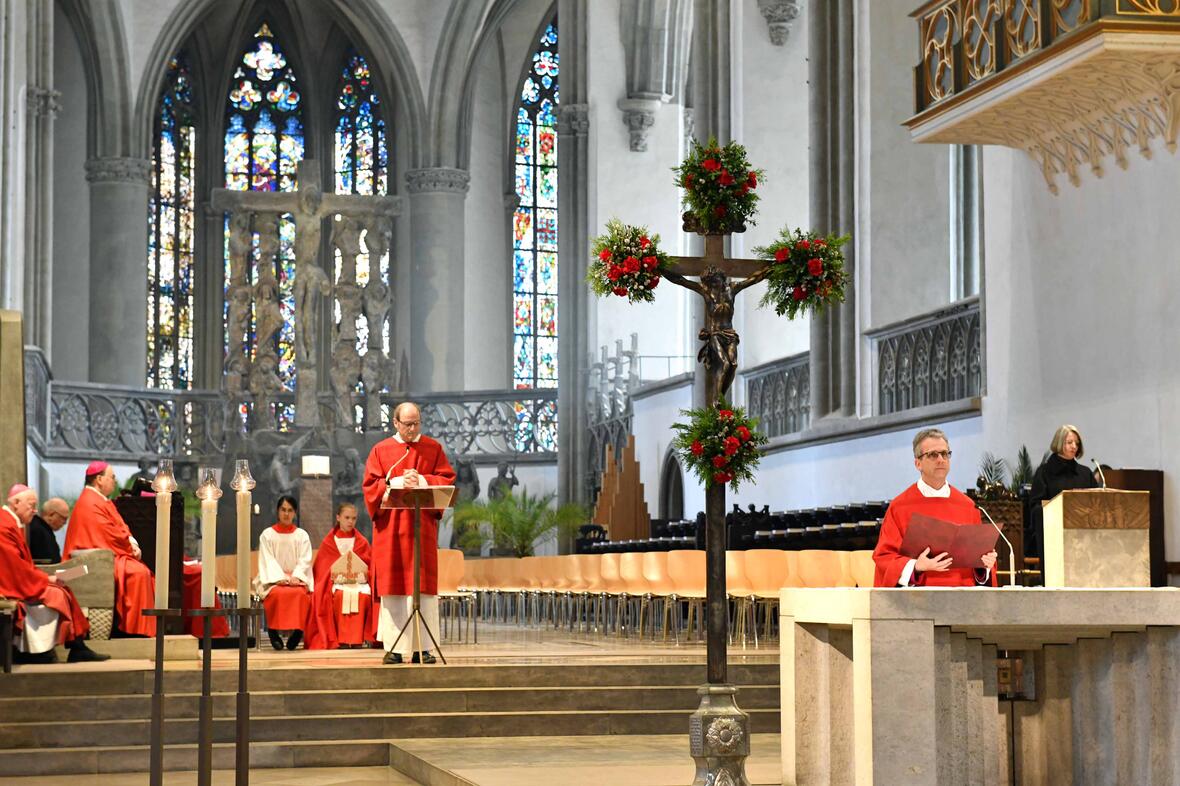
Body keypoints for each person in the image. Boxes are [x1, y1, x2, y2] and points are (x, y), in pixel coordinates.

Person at [363, 401, 456, 665]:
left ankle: (422, 648)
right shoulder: (380, 450)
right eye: (407, 424)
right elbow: (370, 486)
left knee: (422, 589)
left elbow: (447, 480)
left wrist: (424, 481)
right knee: (394, 589)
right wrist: (393, 482)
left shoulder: (432, 448)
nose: (412, 429)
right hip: (391, 531)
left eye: (416, 423)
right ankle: (393, 648)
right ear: (395, 423)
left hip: (420, 530)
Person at [873, 428, 999, 587]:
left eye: (945, 454)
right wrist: (916, 567)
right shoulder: (900, 506)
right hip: (916, 602)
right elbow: (885, 558)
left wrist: (983, 567)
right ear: (918, 463)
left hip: (963, 601)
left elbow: (980, 567)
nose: (941, 459)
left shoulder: (968, 506)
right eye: (933, 455)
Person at [0, 485, 107, 663]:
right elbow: (14, 567)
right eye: (32, 505)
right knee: (57, 594)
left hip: (18, 580)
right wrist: (46, 578)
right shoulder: (4, 526)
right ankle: (40, 652)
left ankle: (75, 647)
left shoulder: (11, 523)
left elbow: (21, 565)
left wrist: (44, 578)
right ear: (16, 503)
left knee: (61, 591)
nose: (35, 511)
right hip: (9, 585)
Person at [64, 461, 157, 636]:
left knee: (139, 571)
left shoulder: (98, 499)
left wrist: (132, 543)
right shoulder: (90, 502)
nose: (115, 481)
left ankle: (135, 628)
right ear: (99, 479)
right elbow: (108, 534)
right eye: (112, 477)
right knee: (138, 574)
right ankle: (132, 631)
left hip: (101, 555)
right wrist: (130, 547)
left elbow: (119, 527)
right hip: (86, 565)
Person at [1026, 424, 1098, 560]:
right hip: (1053, 536)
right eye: (1069, 442)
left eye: (1077, 443)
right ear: (1059, 443)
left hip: (1084, 539)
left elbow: (1096, 501)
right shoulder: (1044, 472)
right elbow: (1035, 506)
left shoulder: (1085, 473)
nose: (1074, 446)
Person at [308, 503, 373, 650]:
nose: (350, 521)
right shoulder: (329, 542)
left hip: (358, 583)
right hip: (336, 583)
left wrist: (362, 574)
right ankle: (342, 640)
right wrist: (334, 576)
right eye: (347, 517)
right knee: (339, 596)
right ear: (338, 518)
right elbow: (322, 569)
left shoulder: (362, 542)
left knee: (363, 597)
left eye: (354, 518)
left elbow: (370, 566)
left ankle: (357, 640)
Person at [254, 495, 314, 650]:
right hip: (273, 578)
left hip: (296, 578)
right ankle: (273, 632)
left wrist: (296, 576)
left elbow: (305, 560)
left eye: (290, 510)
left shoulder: (302, 535)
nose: (286, 514)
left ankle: (297, 632)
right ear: (277, 511)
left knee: (300, 595)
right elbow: (267, 559)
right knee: (276, 594)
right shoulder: (267, 534)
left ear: (295, 513)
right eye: (283, 510)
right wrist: (278, 578)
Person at [27, 497, 69, 563]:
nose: (65, 523)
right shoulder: (40, 532)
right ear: (51, 514)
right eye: (63, 518)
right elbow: (52, 563)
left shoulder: (40, 527)